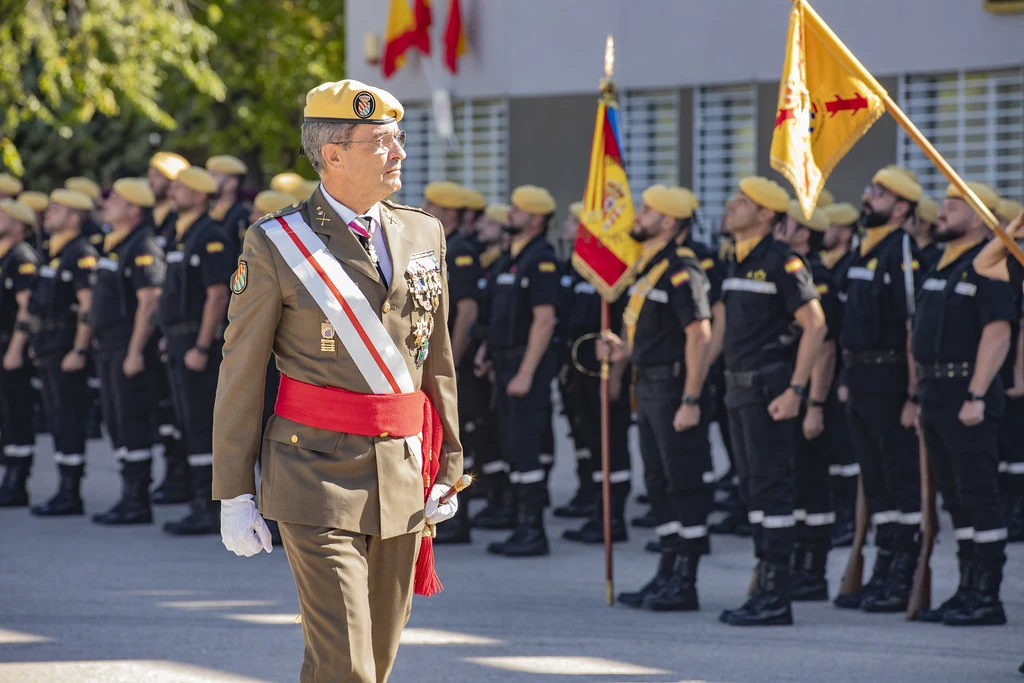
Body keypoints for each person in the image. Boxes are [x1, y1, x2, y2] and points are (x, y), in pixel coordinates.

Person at [212, 79, 462, 683]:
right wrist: (233, 489)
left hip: (403, 473)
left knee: (370, 663)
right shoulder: (276, 242)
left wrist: (450, 461)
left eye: (399, 138)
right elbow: (241, 370)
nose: (400, 152)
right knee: (346, 665)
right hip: (312, 472)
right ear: (332, 154)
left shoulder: (423, 232)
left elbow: (437, 360)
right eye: (382, 141)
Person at [716, 177, 826, 626]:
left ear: (765, 215)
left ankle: (777, 596)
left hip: (768, 391)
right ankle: (762, 586)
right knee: (754, 495)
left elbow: (815, 325)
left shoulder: (782, 261)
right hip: (738, 390)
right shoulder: (737, 261)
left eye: (742, 202)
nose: (731, 206)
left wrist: (797, 391)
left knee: (772, 491)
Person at [602, 185, 713, 610]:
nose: (640, 215)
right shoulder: (650, 267)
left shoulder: (683, 268)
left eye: (648, 210)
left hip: (672, 390)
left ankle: (686, 582)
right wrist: (622, 349)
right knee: (658, 484)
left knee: (683, 484)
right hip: (647, 386)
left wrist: (691, 399)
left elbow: (699, 335)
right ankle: (666, 572)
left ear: (668, 222)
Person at [913, 182, 1014, 626]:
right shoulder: (938, 261)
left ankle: (987, 595)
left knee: (978, 494)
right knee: (954, 498)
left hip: (966, 392)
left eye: (953, 205)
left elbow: (998, 330)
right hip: (935, 393)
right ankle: (966, 588)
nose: (942, 210)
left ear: (979, 217)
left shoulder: (991, 263)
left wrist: (976, 394)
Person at [836, 167, 925, 613]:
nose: (868, 197)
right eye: (870, 189)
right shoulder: (862, 249)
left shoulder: (901, 248)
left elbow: (912, 324)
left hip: (891, 381)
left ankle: (903, 572)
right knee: (875, 481)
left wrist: (913, 394)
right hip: (861, 380)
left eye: (879, 193)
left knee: (901, 477)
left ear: (902, 207)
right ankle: (883, 566)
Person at [476, 185, 560, 557]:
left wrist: (526, 373)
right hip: (506, 363)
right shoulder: (511, 258)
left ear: (536, 219)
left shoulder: (541, 259)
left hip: (528, 367)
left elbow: (544, 321)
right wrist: (487, 351)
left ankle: (533, 530)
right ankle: (519, 522)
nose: (510, 214)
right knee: (511, 444)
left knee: (525, 447)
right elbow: (500, 316)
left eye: (518, 210)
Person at [159, 166, 234, 536]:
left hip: (196, 342)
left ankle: (207, 507)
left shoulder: (210, 235)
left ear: (200, 195)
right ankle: (195, 501)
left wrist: (203, 345)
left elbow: (217, 294)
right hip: (178, 340)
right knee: (187, 423)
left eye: (181, 187)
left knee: (201, 424)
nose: (173, 191)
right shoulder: (180, 235)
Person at [775, 202, 842, 600]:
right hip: (791, 392)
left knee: (812, 485)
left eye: (787, 224)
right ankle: (799, 562)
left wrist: (814, 405)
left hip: (811, 397)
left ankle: (814, 571)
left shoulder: (817, 277)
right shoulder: (789, 268)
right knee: (796, 482)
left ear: (803, 235)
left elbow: (825, 348)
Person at [90, 179, 166, 526]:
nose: (108, 203)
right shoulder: (114, 243)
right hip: (109, 346)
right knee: (115, 419)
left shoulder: (142, 244)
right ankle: (128, 495)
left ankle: (137, 500)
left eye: (116, 199)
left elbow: (149, 300)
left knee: (131, 420)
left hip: (127, 346)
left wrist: (135, 351)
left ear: (134, 210)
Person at [28, 189, 98, 516]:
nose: (48, 213)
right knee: (56, 417)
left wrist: (80, 349)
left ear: (73, 218)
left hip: (66, 347)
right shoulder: (51, 252)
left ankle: (71, 492)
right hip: (48, 345)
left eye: (56, 209)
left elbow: (87, 305)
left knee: (68, 418)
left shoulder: (79, 253)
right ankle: (63, 488)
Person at [422, 181, 480, 545]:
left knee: (456, 438)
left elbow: (467, 310)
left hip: (455, 363)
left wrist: (450, 359)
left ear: (448, 213)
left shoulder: (459, 251)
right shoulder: (443, 245)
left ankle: (458, 517)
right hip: (445, 361)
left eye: (432, 205)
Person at [469, 203, 515, 531]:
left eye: (490, 222)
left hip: (505, 361)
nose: (482, 226)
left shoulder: (503, 264)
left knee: (499, 434)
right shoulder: (489, 264)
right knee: (487, 433)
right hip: (489, 355)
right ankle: (497, 499)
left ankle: (506, 503)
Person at [820, 200, 860, 547]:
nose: (824, 232)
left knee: (846, 452)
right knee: (831, 449)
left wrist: (846, 377)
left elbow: (850, 327)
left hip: (845, 369)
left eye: (831, 226)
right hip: (826, 369)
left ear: (846, 232)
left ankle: (848, 517)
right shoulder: (826, 266)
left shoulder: (850, 267)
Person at [0, 199, 40, 507]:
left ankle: (17, 482)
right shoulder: (5, 255)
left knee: (17, 415)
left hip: (11, 346)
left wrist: (15, 350)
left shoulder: (21, 257)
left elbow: (27, 309)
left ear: (18, 225)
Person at [206, 155, 252, 257]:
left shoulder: (241, 215)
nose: (207, 179)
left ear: (232, 183)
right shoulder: (208, 210)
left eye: (214, 175)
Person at [908, 196, 942, 272]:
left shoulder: (937, 259)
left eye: (909, 216)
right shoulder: (902, 249)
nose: (905, 221)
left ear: (926, 224)